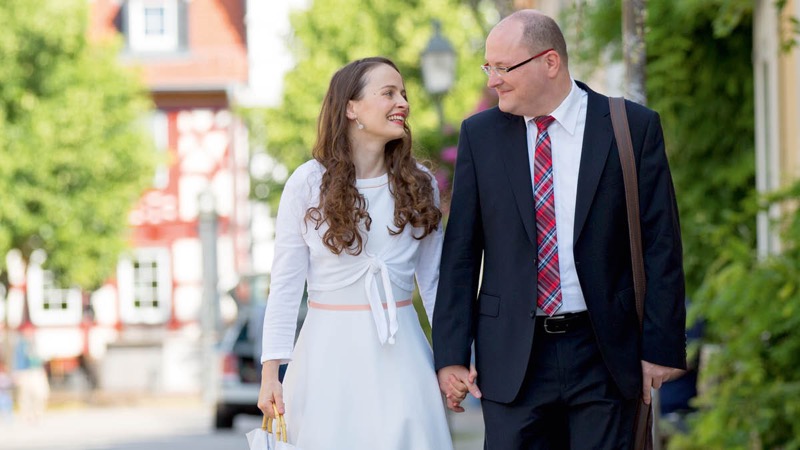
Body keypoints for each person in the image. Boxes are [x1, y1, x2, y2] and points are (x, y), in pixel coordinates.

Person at [432, 10, 687, 449]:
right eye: (488, 67)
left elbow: (661, 242)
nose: (493, 81)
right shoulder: (480, 135)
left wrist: (660, 347)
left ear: (550, 62)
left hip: (605, 354)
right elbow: (461, 252)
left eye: (503, 67)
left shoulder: (631, 127)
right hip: (512, 356)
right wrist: (452, 354)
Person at [257, 56, 452, 450]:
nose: (403, 103)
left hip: (403, 357)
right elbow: (286, 286)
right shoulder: (307, 184)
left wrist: (453, 361)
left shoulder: (420, 185)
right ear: (351, 108)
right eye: (388, 93)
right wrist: (270, 373)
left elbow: (434, 284)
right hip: (326, 359)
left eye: (403, 94)